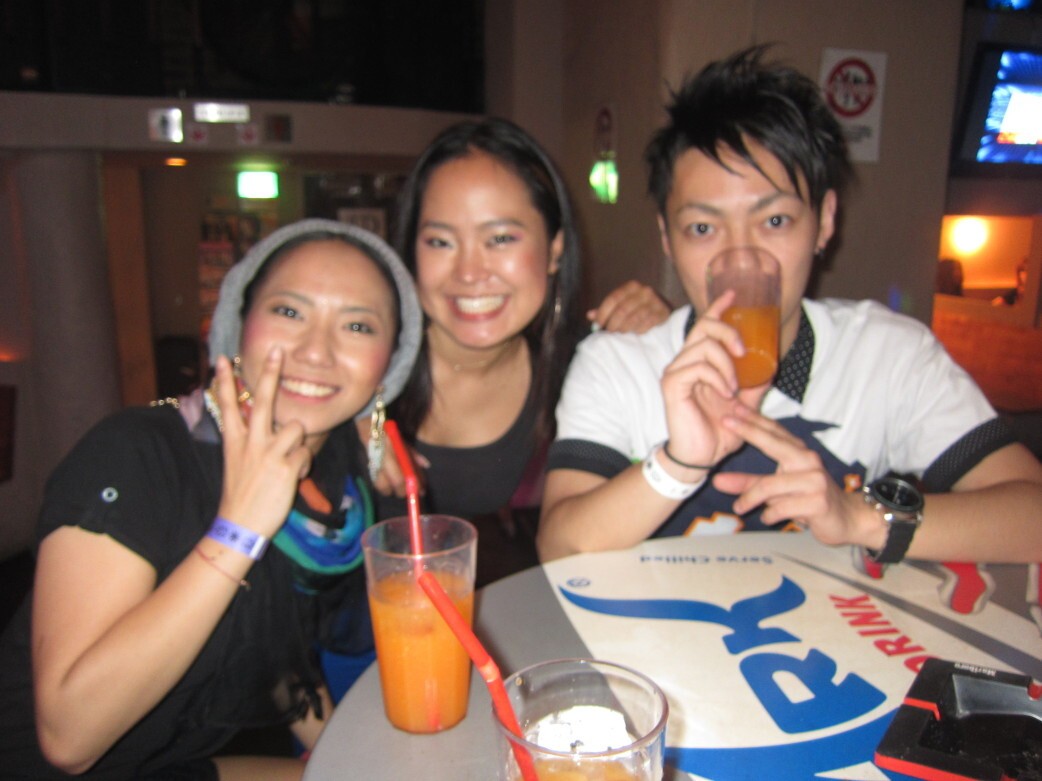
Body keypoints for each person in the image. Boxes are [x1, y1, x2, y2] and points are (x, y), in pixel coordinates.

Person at [537, 46, 1042, 565]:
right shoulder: (618, 364)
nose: (741, 258)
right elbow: (558, 546)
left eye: (775, 221)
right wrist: (677, 464)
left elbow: (1033, 514)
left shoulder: (888, 355)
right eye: (703, 228)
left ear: (824, 221)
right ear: (667, 239)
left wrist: (859, 517)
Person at [0, 218, 422, 780]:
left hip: (172, 763)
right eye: (289, 311)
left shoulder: (336, 483)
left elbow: (277, 653)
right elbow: (67, 736)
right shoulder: (139, 454)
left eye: (358, 325)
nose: (316, 351)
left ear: (390, 364)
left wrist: (360, 765)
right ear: (236, 329)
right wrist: (239, 527)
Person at [370, 118, 670, 586]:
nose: (470, 272)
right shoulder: (362, 372)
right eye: (440, 242)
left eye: (501, 239)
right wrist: (345, 419)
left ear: (555, 249)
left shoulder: (594, 372)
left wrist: (665, 341)